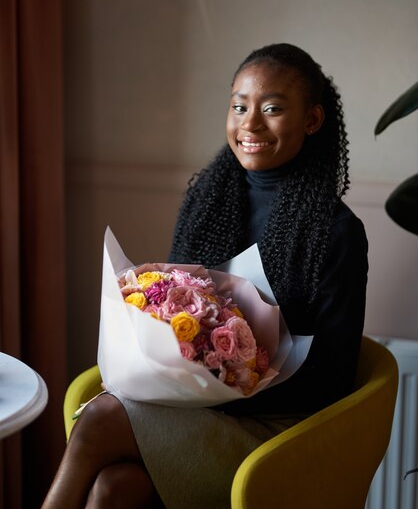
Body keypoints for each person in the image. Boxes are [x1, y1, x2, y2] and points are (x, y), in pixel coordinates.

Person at [42, 43, 368, 509]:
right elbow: (168, 318)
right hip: (194, 410)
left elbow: (333, 377)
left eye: (272, 109)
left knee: (98, 419)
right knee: (113, 490)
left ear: (312, 120)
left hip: (277, 434)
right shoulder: (207, 202)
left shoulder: (337, 233)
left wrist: (230, 384)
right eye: (239, 106)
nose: (250, 123)